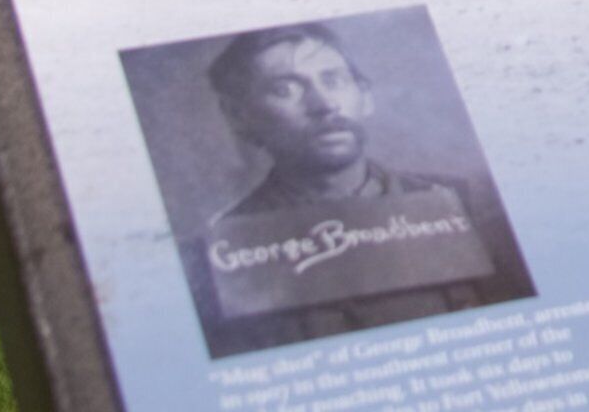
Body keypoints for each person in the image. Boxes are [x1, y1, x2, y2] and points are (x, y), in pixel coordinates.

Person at [172, 22, 534, 357]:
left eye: (333, 80)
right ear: (238, 116)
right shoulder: (221, 251)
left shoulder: (465, 205)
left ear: (365, 96)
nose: (324, 104)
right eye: (284, 89)